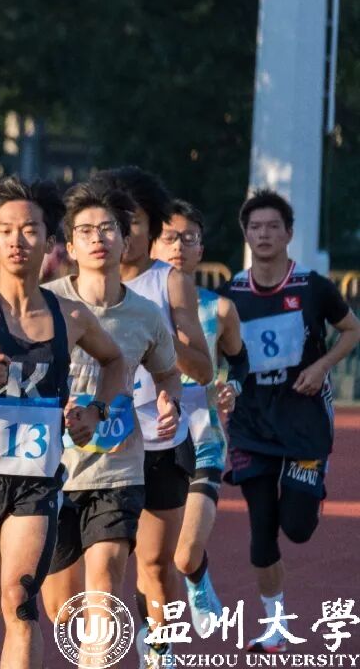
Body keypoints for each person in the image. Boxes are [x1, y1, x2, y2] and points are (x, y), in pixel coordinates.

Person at [0, 176, 126, 669]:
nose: (17, 241)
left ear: (49, 242)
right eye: (6, 230)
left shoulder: (72, 317)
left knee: (20, 603)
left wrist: (95, 411)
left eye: (29, 230)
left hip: (36, 481)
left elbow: (116, 363)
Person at [39, 182, 182, 665]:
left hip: (118, 469)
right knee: (62, 610)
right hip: (52, 469)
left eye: (108, 229)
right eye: (85, 231)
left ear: (125, 240)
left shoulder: (145, 315)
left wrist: (168, 401)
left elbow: (168, 373)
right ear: (69, 245)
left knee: (104, 582)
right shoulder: (45, 303)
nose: (97, 238)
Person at [218, 190, 360, 653]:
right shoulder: (231, 295)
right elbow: (214, 352)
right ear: (246, 235)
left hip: (303, 422)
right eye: (255, 227)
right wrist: (222, 384)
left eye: (272, 227)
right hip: (251, 426)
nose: (263, 234)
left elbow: (351, 330)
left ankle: (312, 482)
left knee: (297, 528)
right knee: (262, 532)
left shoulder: (313, 287)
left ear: (288, 234)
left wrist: (322, 367)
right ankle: (274, 625)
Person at [95, 167, 213, 666]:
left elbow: (203, 368)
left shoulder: (170, 282)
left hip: (160, 440)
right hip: (97, 444)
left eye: (134, 222)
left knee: (154, 563)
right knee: (96, 571)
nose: (121, 233)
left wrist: (158, 337)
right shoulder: (75, 286)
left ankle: (161, 652)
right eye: (111, 222)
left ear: (152, 226)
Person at [151, 199, 247, 636]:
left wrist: (233, 387)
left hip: (204, 442)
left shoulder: (219, 310)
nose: (178, 246)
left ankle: (198, 578)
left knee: (185, 554)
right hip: (148, 443)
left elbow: (240, 363)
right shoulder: (132, 307)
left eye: (188, 238)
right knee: (151, 560)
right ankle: (158, 643)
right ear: (152, 245)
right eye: (169, 237)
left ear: (201, 248)